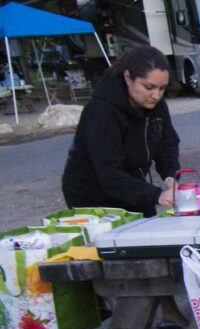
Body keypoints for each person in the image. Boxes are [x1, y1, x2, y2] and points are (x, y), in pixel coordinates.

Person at [61, 46, 179, 217]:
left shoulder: (156, 104)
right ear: (128, 78)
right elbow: (109, 173)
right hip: (92, 194)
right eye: (149, 87)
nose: (156, 95)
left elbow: (167, 143)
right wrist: (156, 195)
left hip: (131, 183)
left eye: (162, 89)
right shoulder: (101, 111)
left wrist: (170, 177)